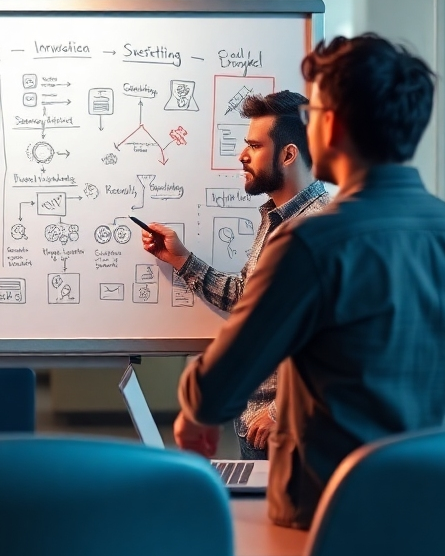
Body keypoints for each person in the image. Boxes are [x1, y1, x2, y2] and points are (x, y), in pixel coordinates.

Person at [174, 34, 445, 531]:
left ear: (335, 124)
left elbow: (214, 390)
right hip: (439, 519)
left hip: (328, 521)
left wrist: (193, 415)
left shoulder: (311, 243)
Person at [141, 91, 329, 459]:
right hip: (256, 426)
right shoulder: (277, 219)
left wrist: (281, 410)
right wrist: (181, 260)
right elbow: (250, 299)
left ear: (288, 155)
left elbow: (331, 341)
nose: (242, 156)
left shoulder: (318, 228)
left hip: (284, 431)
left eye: (254, 146)